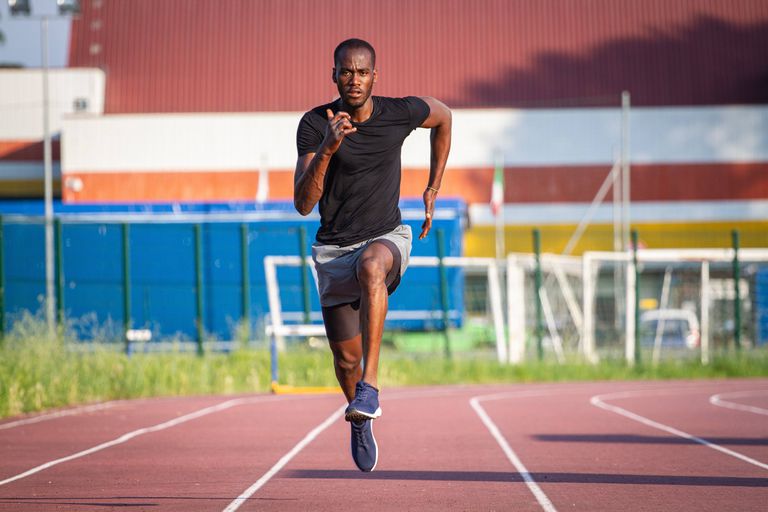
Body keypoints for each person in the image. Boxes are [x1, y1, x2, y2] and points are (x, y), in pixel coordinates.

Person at [293, 38, 451, 472]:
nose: (354, 80)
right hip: (332, 249)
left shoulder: (397, 113)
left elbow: (445, 117)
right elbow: (304, 204)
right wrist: (328, 146)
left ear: (375, 76)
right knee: (344, 359)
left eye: (362, 72)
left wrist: (433, 187)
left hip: (386, 236)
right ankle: (359, 415)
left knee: (371, 265)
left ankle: (371, 387)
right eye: (346, 71)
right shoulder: (313, 124)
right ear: (334, 75)